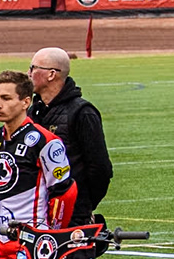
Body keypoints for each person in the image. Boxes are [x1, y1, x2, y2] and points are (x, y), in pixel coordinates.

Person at [0, 70, 76, 259]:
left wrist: (49, 233)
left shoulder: (45, 141)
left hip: (31, 243)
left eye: (6, 98)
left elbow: (64, 192)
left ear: (26, 102)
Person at [27, 47, 112, 228]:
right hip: (37, 213)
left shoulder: (82, 113)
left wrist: (82, 205)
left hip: (73, 216)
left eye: (33, 68)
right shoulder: (32, 112)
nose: (29, 74)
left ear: (51, 74)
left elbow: (100, 169)